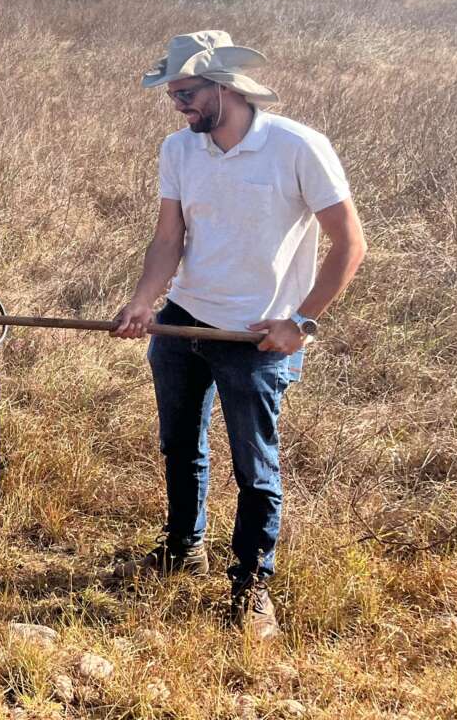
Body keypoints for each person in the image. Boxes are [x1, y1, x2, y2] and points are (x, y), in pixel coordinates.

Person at [113, 31, 366, 639]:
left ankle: (252, 583)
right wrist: (145, 301)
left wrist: (301, 320)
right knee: (179, 445)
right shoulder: (178, 149)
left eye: (189, 93)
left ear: (226, 87)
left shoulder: (297, 146)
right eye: (173, 95)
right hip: (183, 322)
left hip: (254, 336)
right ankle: (184, 546)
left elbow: (348, 242)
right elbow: (169, 236)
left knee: (255, 468)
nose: (180, 106)